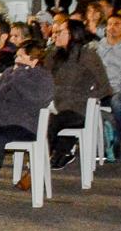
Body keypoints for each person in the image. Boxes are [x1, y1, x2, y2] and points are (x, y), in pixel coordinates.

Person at [0, 43, 55, 202]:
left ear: (34, 60)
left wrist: (20, 75)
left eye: (21, 56)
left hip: (23, 124)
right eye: (17, 56)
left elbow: (40, 98)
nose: (16, 59)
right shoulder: (9, 73)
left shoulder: (42, 77)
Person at [44, 18, 112, 169]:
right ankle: (56, 152)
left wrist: (88, 100)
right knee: (41, 117)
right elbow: (44, 81)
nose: (55, 35)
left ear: (73, 34)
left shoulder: (87, 55)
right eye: (54, 32)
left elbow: (105, 87)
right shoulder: (53, 56)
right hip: (53, 104)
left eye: (60, 32)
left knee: (52, 121)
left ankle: (42, 159)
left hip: (78, 108)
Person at [93, 13, 121, 160]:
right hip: (99, 89)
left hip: (120, 90)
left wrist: (114, 89)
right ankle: (98, 143)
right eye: (110, 24)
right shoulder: (98, 47)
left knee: (117, 102)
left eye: (117, 24)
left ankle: (118, 141)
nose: (112, 28)